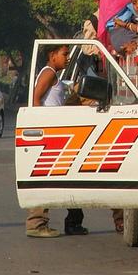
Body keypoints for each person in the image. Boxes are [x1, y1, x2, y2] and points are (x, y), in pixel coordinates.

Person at [26, 45, 88, 238]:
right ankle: (36, 225)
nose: (67, 58)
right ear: (52, 56)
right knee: (46, 179)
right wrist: (42, 127)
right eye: (64, 54)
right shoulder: (49, 73)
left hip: (59, 134)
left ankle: (74, 222)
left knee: (69, 178)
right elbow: (35, 100)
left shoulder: (54, 74)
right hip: (51, 135)